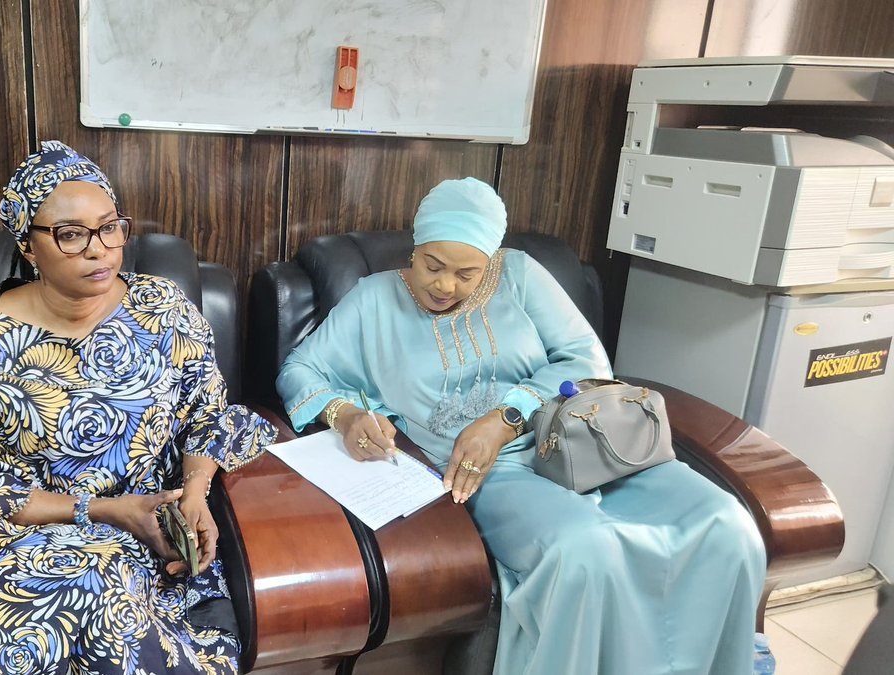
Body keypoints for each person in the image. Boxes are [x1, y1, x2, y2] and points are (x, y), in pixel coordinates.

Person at [276, 178, 766, 674]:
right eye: (433, 265)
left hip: (586, 443)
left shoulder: (521, 276)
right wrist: (346, 415)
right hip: (487, 476)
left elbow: (587, 359)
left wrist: (506, 418)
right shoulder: (374, 301)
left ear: (490, 261)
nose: (445, 286)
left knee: (727, 524)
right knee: (584, 552)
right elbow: (298, 370)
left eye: (467, 273)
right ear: (415, 247)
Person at [0, 141, 275, 674]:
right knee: (39, 607)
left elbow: (207, 416)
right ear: (29, 247)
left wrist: (193, 495)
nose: (99, 249)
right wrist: (99, 512)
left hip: (141, 531)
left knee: (105, 590)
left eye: (110, 227)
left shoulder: (164, 308)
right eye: (70, 234)